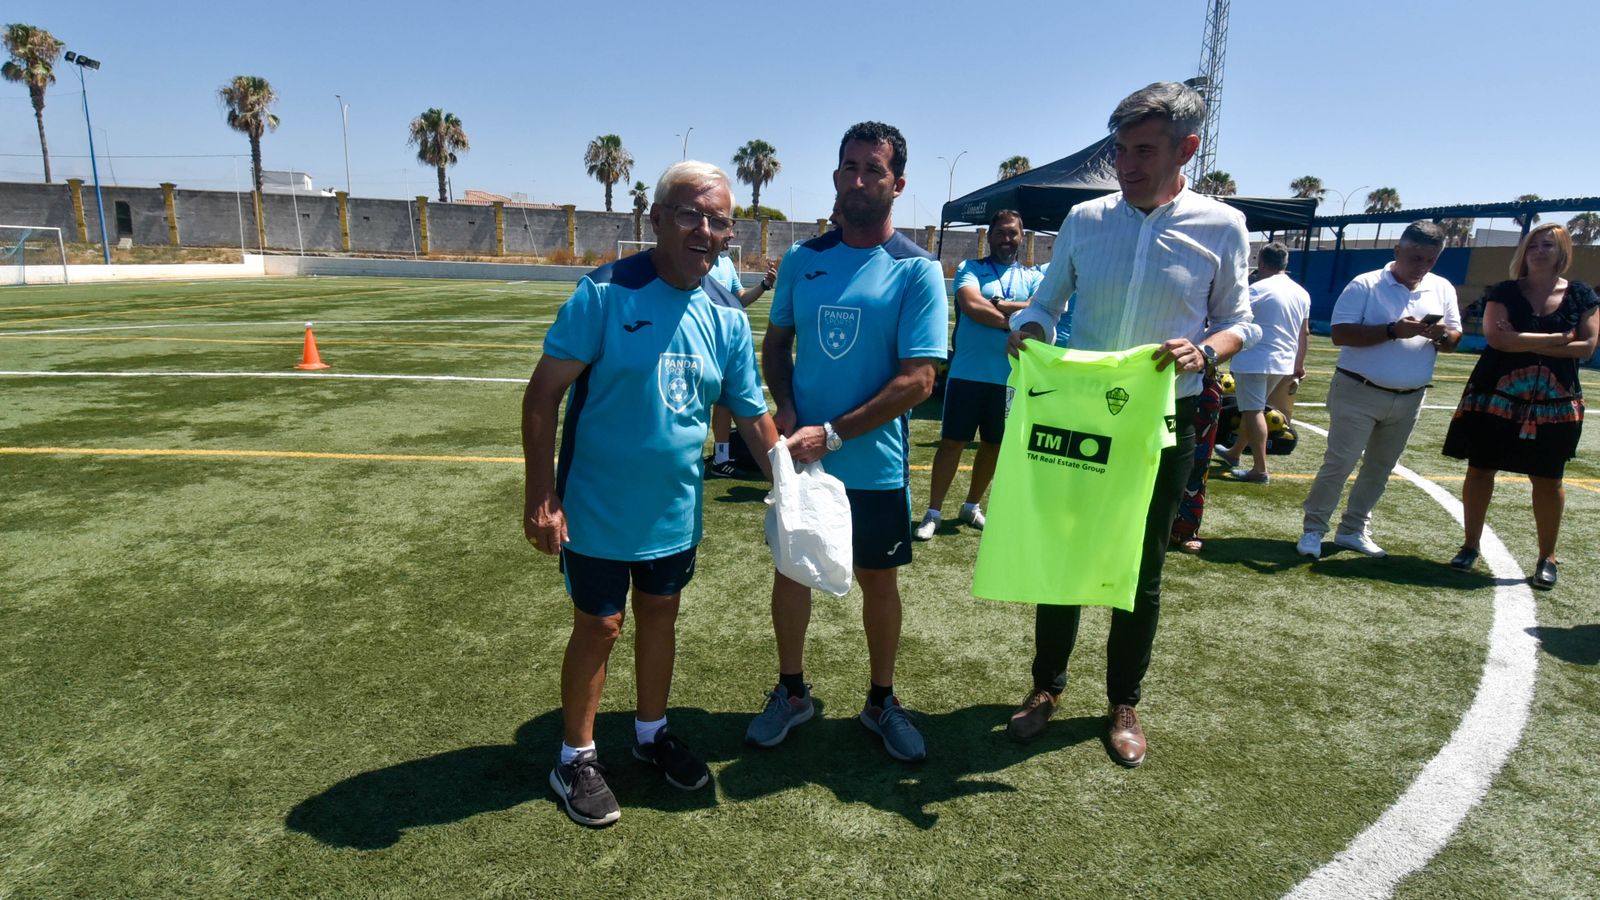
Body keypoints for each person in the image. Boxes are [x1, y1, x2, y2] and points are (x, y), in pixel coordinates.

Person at [1004, 82, 1256, 766]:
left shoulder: (1222, 227)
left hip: (1165, 419)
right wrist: (1027, 328)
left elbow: (1240, 321)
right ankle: (1045, 689)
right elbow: (1046, 303)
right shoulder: (1086, 221)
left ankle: (1124, 700)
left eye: (1143, 150)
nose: (1126, 163)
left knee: (1141, 569)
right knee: (1065, 558)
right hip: (1081, 417)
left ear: (1188, 149)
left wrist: (1204, 350)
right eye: (1120, 149)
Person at [522, 160, 780, 827]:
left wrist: (791, 483)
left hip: (674, 511)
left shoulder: (725, 311)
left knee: (661, 617)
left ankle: (649, 733)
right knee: (600, 625)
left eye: (719, 220)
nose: (706, 230)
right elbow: (543, 395)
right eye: (691, 213)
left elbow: (750, 412)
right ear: (658, 219)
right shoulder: (606, 293)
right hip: (597, 510)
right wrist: (542, 495)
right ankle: (575, 756)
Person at [746, 121, 948, 762]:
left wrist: (831, 433)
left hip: (873, 465)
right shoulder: (804, 261)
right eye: (848, 168)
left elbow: (919, 380)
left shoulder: (917, 272)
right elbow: (776, 346)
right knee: (791, 574)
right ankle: (791, 690)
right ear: (836, 176)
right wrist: (786, 409)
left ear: (898, 184)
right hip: (800, 464)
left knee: (878, 583)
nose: (858, 180)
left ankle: (881, 700)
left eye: (873, 170)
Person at [1441, 223, 1598, 588]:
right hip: (1494, 397)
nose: (1539, 252)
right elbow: (1497, 340)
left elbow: (1587, 347)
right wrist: (1559, 339)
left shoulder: (1581, 295)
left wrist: (1521, 340)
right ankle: (1469, 545)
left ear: (1563, 252)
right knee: (1480, 470)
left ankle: (1548, 557)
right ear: (1523, 252)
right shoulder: (1505, 291)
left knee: (1548, 479)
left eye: (1548, 245)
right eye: (1533, 246)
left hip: (1555, 402)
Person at [1296, 220, 1462, 560]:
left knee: (1380, 468)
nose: (1422, 267)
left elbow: (1454, 337)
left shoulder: (1441, 288)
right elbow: (1340, 334)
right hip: (1358, 390)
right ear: (1397, 251)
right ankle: (1314, 529)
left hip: (1411, 397)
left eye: (1430, 260)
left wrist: (1440, 336)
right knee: (1339, 463)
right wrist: (1391, 331)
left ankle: (1353, 530)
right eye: (1415, 258)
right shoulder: (1366, 284)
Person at [914, 209, 1043, 541]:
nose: (1006, 239)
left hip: (1010, 378)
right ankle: (933, 512)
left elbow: (1040, 313)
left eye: (1013, 233)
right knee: (952, 442)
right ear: (989, 236)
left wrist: (1001, 304)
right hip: (967, 374)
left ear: (1022, 236)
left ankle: (971, 506)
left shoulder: (1032, 276)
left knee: (994, 445)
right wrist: (1017, 314)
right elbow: (972, 305)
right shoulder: (970, 268)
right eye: (1000, 232)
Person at [1219, 241, 1310, 484]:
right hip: (1283, 362)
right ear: (1285, 263)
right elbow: (1304, 332)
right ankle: (1234, 452)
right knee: (1255, 409)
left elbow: (1233, 322)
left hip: (1255, 359)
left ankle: (1259, 470)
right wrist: (1299, 365)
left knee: (1253, 411)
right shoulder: (1301, 293)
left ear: (1261, 262)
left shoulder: (1256, 290)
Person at [706, 247, 780, 477]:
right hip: (704, 341)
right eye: (726, 227)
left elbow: (739, 300)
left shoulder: (725, 263)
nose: (730, 235)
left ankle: (720, 459)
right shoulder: (697, 262)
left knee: (725, 401)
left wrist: (765, 285)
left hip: (725, 343)